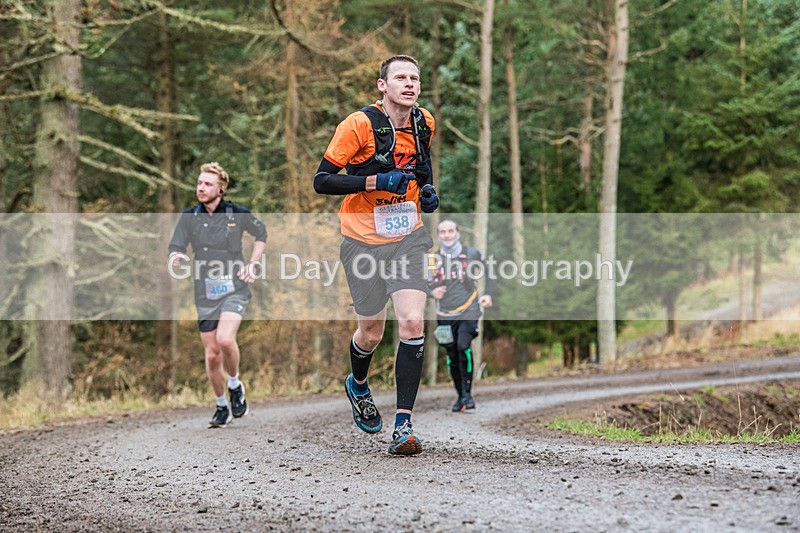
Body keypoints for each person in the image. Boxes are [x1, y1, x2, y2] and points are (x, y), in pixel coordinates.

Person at [313, 55, 440, 455]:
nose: (409, 83)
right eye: (400, 77)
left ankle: (403, 425)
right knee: (371, 332)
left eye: (415, 77)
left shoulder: (424, 122)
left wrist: (428, 192)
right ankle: (358, 385)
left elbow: (421, 167)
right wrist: (374, 181)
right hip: (362, 240)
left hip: (408, 238)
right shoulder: (358, 125)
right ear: (382, 85)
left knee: (413, 322)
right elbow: (322, 181)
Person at [168, 162, 267, 428]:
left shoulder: (237, 213)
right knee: (212, 355)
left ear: (221, 189)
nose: (201, 188)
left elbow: (261, 233)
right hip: (204, 291)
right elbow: (176, 246)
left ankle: (234, 384)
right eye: (199, 183)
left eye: (208, 184)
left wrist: (253, 264)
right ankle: (222, 406)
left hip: (235, 288)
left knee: (224, 339)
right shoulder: (190, 217)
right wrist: (176, 257)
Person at [427, 219, 493, 412]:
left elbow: (490, 270)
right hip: (444, 314)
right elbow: (420, 283)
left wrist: (488, 294)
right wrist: (432, 292)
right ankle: (461, 395)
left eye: (450, 231)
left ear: (457, 233)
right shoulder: (432, 260)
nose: (447, 235)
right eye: (443, 232)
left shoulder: (470, 253)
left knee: (463, 346)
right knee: (452, 354)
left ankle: (468, 394)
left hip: (468, 309)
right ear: (438, 235)